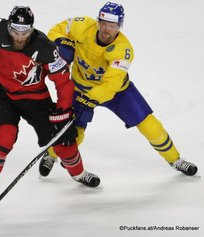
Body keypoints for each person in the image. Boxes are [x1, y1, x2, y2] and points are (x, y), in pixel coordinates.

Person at [0, 5, 101, 215]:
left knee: (64, 142)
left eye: (25, 32)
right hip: (3, 96)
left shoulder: (46, 48)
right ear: (8, 27)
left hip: (37, 100)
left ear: (31, 29)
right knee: (4, 136)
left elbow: (64, 84)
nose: (19, 37)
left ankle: (78, 173)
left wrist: (63, 112)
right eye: (14, 31)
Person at [38, 2, 198, 178]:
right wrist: (60, 43)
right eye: (104, 23)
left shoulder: (123, 49)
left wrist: (92, 98)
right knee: (74, 133)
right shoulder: (81, 24)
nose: (106, 30)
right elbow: (54, 31)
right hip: (81, 89)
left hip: (118, 93)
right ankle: (52, 155)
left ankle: (175, 159)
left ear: (120, 26)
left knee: (151, 126)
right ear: (98, 21)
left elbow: (111, 84)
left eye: (112, 26)